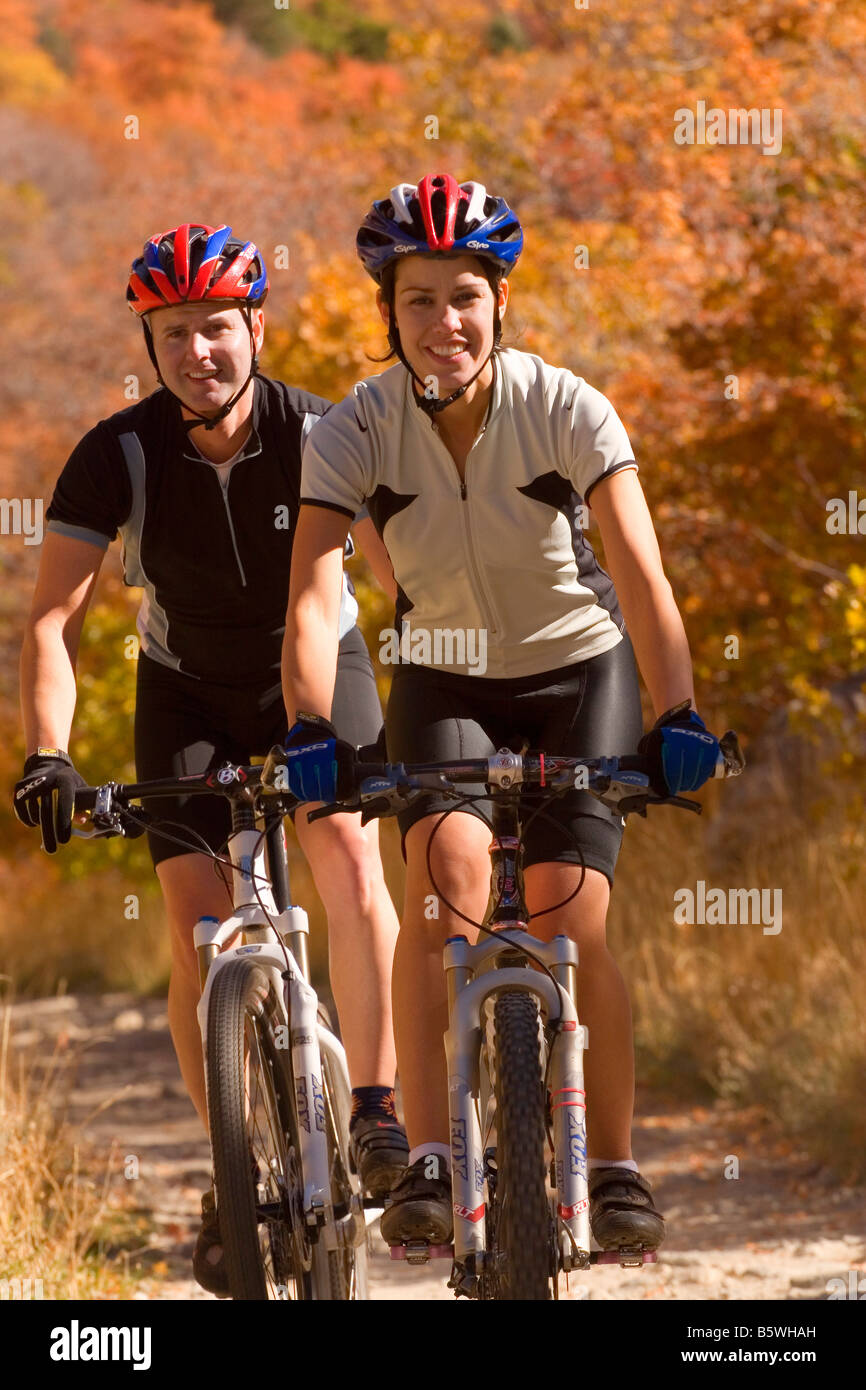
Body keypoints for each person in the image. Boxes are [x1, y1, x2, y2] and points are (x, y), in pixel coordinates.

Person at [279, 174, 725, 1256]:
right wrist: (308, 730)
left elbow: (639, 571)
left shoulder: (568, 406)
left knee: (575, 918)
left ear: (500, 302)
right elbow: (310, 592)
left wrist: (679, 712)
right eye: (419, 300)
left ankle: (611, 1166)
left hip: (580, 673)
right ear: (387, 311)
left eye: (464, 297)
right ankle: (429, 1156)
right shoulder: (353, 429)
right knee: (443, 893)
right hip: (444, 679)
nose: (444, 324)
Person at [14, 223, 408, 1294]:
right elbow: (55, 619)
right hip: (182, 688)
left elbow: (397, 584)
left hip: (315, 676)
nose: (198, 350)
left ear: (256, 329)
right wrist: (48, 753)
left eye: (217, 328)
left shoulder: (324, 431)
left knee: (351, 866)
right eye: (174, 330)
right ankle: (233, 1164)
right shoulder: (118, 453)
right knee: (197, 936)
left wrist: (431, 694)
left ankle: (374, 1112)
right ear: (150, 340)